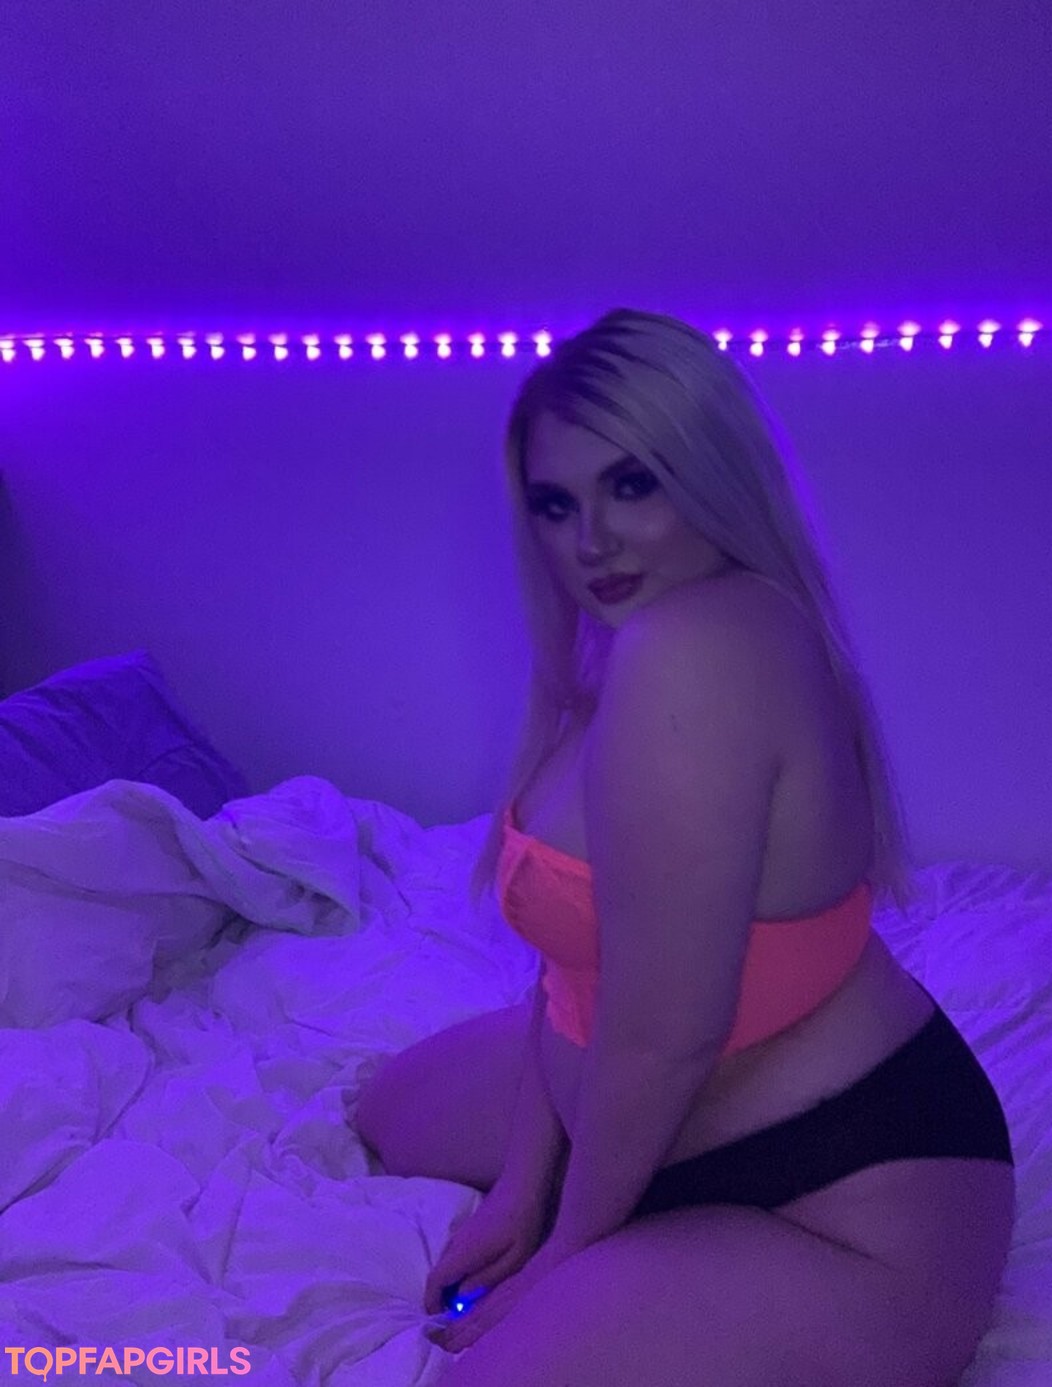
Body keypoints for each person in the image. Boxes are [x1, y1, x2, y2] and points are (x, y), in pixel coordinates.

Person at [348, 308, 1015, 1385]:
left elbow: (667, 1033)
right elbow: (579, 974)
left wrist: (565, 1252)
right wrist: (522, 1185)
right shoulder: (614, 648)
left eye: (633, 484)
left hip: (846, 1193)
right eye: (556, 503)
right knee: (389, 1108)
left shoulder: (696, 648)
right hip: (662, 1122)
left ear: (710, 474)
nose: (591, 541)